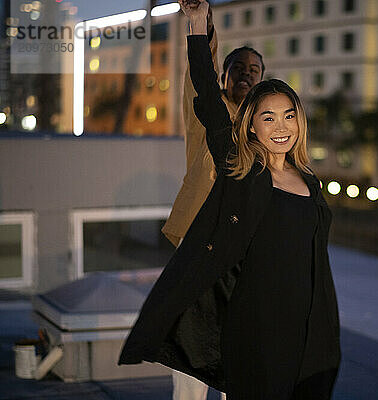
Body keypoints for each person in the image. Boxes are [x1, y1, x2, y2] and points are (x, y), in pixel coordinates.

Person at [118, 1, 341, 399]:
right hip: (231, 279)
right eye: (269, 118)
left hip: (297, 318)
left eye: (288, 116)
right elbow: (204, 90)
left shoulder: (309, 181)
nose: (280, 126)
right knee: (203, 370)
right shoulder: (242, 166)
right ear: (251, 124)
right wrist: (199, 23)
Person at [161, 2, 264, 398]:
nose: (245, 75)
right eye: (238, 68)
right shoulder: (207, 110)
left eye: (254, 70)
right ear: (223, 73)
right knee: (191, 345)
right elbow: (199, 72)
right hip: (200, 241)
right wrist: (199, 22)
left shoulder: (263, 129)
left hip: (244, 250)